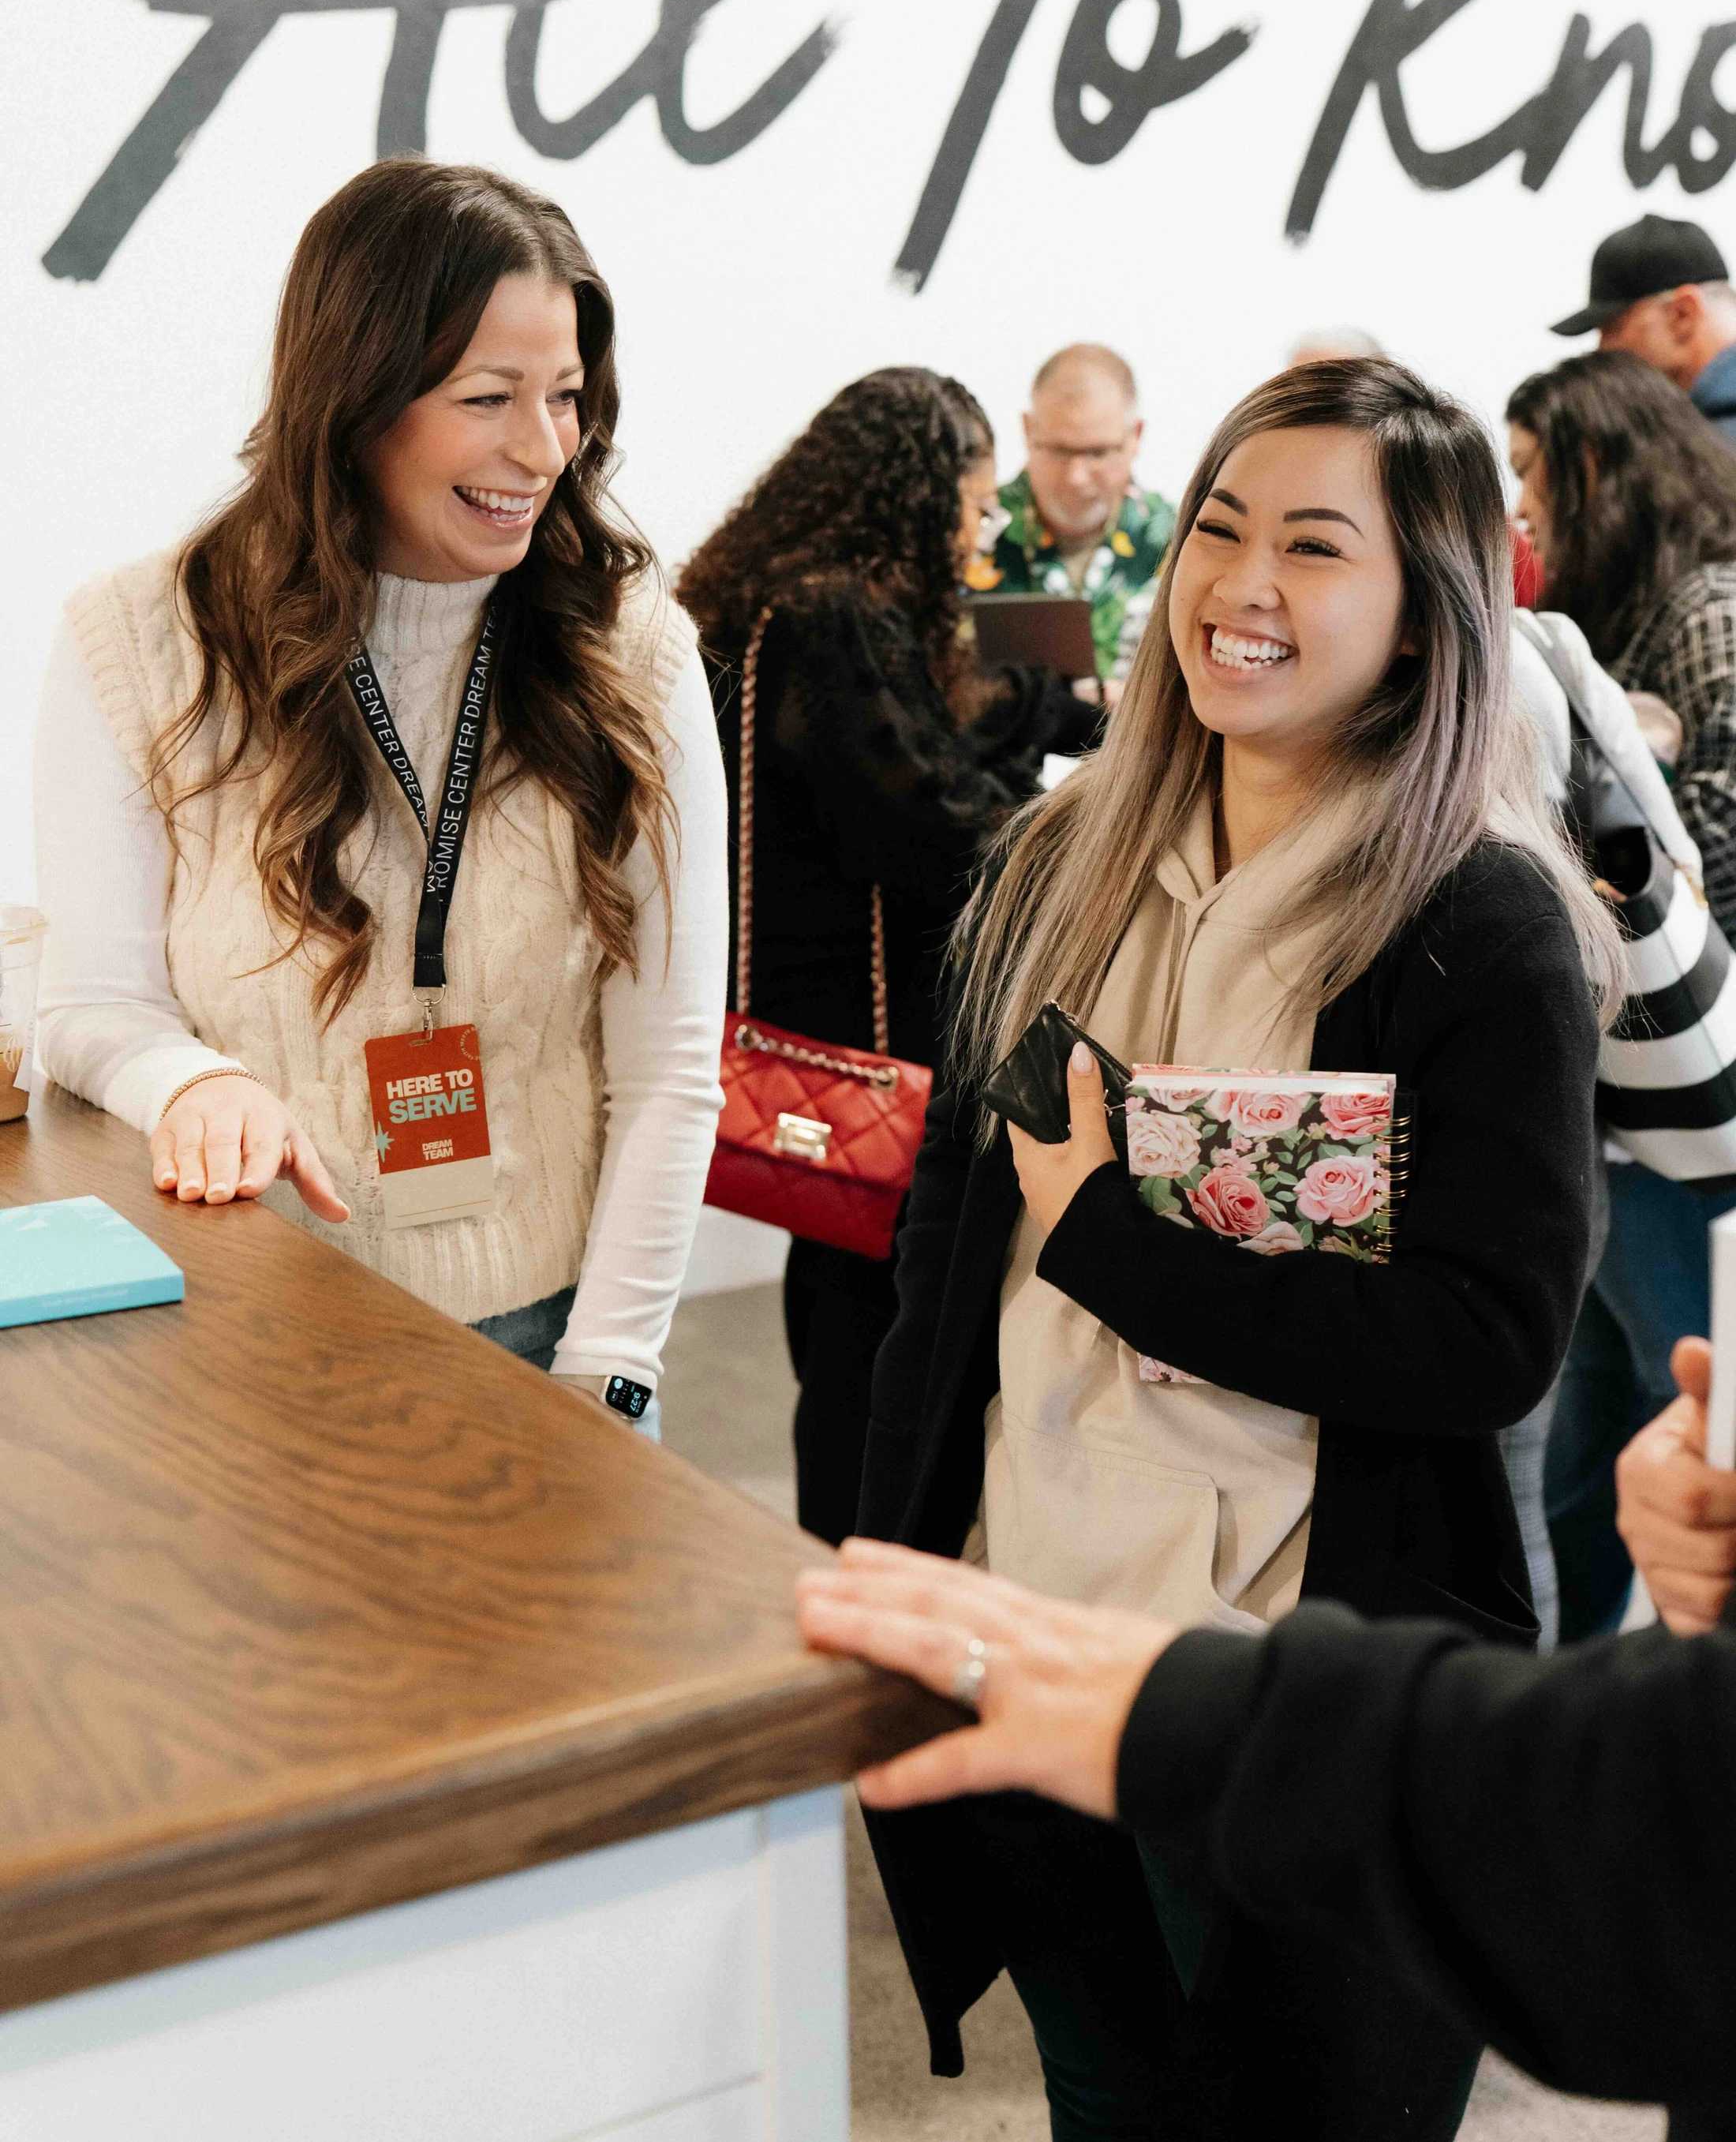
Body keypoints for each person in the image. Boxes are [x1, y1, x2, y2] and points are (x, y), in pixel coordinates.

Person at [856, 354, 1619, 2140]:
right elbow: (946, 1266)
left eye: (1314, 545)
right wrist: (887, 1555)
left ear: (1429, 614)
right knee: (1105, 2091)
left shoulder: (1476, 923)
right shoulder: (1058, 861)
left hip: (1281, 1690)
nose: (1242, 585)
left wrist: (1116, 1244)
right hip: (1030, 1627)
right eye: (1218, 526)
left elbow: (1485, 1340)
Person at [32, 159, 725, 1424]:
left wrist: (608, 1374)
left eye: (567, 396)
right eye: (488, 397)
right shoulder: (141, 643)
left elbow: (671, 1069)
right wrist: (190, 1081)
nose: (543, 449)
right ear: (354, 399)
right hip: (247, 1323)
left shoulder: (633, 654)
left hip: (553, 1337)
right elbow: (91, 1005)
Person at [797, 1337, 1736, 2142]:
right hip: (1044, 1562)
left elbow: (1647, 1859)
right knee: (1101, 2066)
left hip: (1263, 1639)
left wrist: (1182, 1712)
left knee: (1308, 2082)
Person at [678, 367, 1094, 1541]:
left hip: (810, 1034)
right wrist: (1075, 822)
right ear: (916, 494)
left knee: (843, 1316)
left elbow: (908, 758)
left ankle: (843, 1558)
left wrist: (1032, 706)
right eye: (974, 502)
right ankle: (853, 1568)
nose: (984, 526)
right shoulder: (831, 616)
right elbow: (922, 822)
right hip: (869, 1051)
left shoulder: (775, 604)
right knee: (872, 1342)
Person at [1506, 350, 1736, 1632]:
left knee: (1674, 1400)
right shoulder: (1623, 608)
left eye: (1532, 470)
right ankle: (1574, 1688)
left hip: (1680, 1077)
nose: (1522, 504)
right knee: (1599, 1414)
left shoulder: (1707, 610)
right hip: (1626, 1083)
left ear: (1596, 467)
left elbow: (1723, 842)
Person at [970, 343, 1174, 691]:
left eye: (1097, 453)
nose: (1076, 478)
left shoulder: (1177, 540)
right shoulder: (971, 534)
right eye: (1059, 451)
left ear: (1136, 437)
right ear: (1028, 431)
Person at [1551, 212, 1736, 447]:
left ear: (1683, 314)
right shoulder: (1698, 428)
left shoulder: (1715, 441)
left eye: (1614, 327)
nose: (1602, 348)